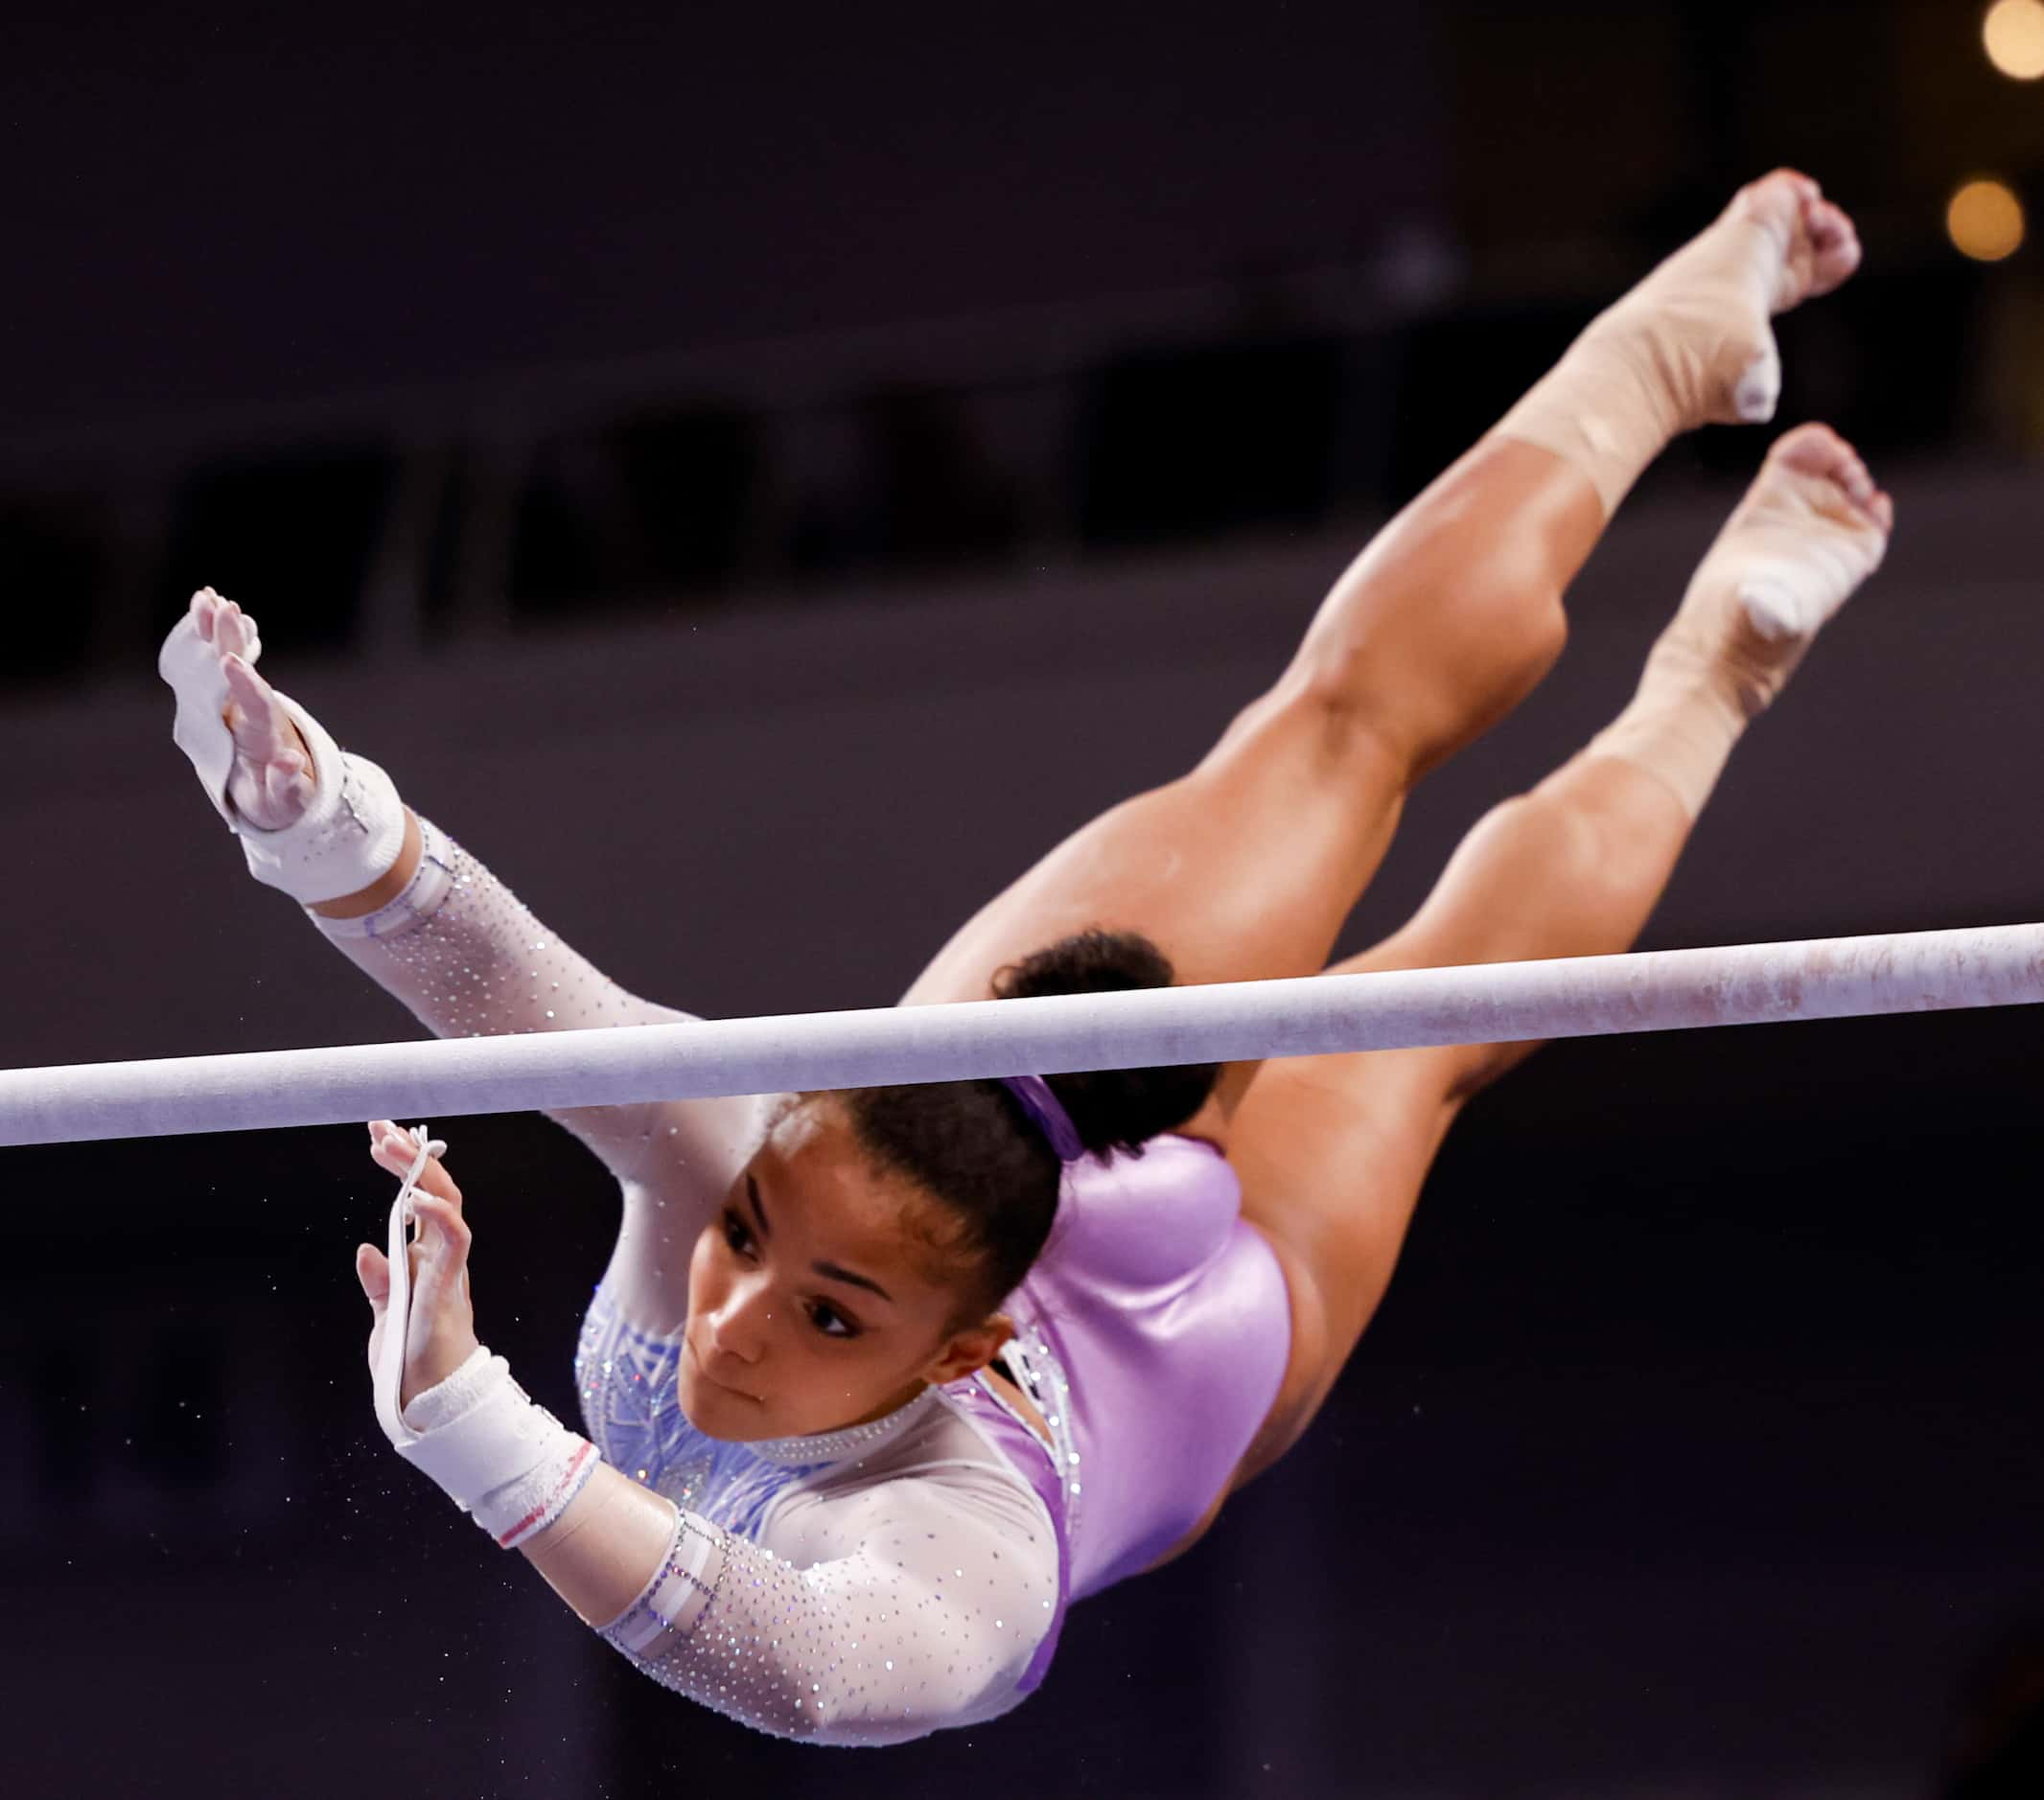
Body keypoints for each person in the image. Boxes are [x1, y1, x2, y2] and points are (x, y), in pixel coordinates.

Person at [159, 170, 1893, 1745]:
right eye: (757, 1236)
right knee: (1418, 958)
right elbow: (514, 983)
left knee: (1343, 733)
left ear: (951, 1355)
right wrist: (309, 811)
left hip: (1035, 1213)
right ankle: (1716, 666)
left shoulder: (935, 1471)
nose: (736, 1320)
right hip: (1205, 1334)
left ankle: (1672, 350)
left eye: (828, 1309)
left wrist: (469, 1415)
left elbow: (798, 1658)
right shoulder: (944, 1513)